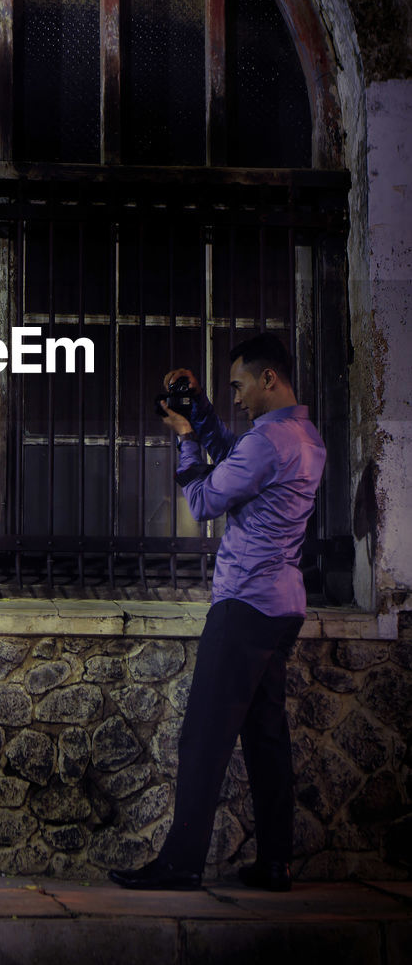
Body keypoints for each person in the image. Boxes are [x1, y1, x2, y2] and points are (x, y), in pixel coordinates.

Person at [109, 333, 326, 892]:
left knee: (203, 736)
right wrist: (199, 409)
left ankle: (180, 865)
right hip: (283, 606)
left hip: (245, 603)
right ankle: (275, 863)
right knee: (265, 737)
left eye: (239, 385)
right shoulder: (305, 436)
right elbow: (236, 458)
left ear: (268, 378)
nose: (238, 396)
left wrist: (184, 438)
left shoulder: (267, 441)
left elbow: (205, 501)